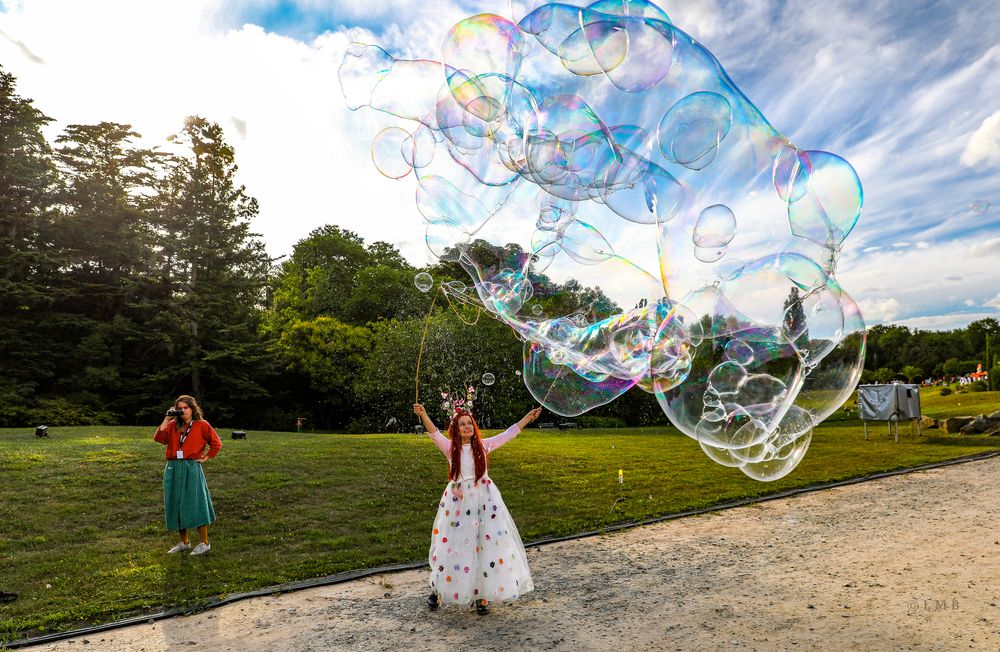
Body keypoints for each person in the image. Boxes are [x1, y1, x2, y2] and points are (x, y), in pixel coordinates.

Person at [413, 402, 542, 615]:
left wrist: (528, 418)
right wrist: (424, 414)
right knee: (452, 544)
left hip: (484, 501)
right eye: (462, 424)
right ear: (455, 430)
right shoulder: (451, 449)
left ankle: (481, 595)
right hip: (458, 503)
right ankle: (438, 590)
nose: (467, 427)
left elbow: (509, 433)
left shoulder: (483, 446)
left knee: (484, 544)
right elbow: (434, 432)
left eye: (469, 423)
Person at [153, 395, 222, 556]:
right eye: (180, 408)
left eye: (186, 407)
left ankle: (205, 543)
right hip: (173, 468)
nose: (183, 411)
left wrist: (206, 457)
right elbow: (159, 438)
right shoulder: (172, 425)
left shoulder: (202, 425)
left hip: (191, 467)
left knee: (195, 503)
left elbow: (216, 443)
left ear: (192, 408)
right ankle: (185, 543)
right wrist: (166, 418)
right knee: (176, 504)